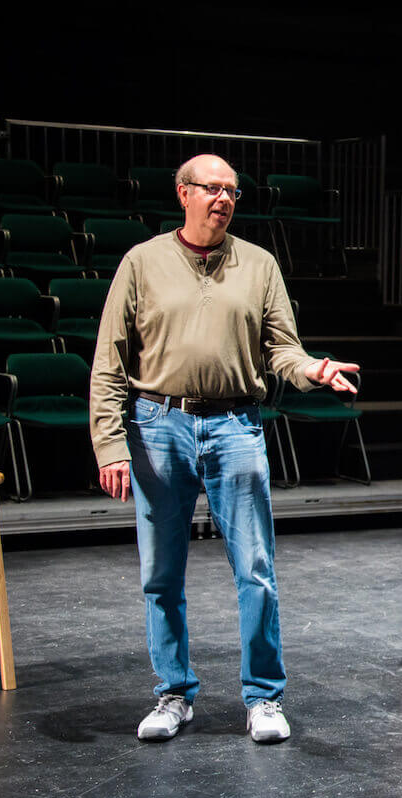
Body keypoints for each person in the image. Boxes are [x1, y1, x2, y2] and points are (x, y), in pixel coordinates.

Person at [89, 154, 359, 744]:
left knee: (256, 570)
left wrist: (311, 369)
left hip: (236, 426)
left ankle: (263, 698)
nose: (224, 199)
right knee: (161, 572)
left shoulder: (258, 264)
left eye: (232, 191)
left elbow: (280, 348)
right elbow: (109, 361)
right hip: (158, 426)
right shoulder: (142, 262)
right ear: (182, 193)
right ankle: (173, 692)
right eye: (212, 188)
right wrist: (110, 443)